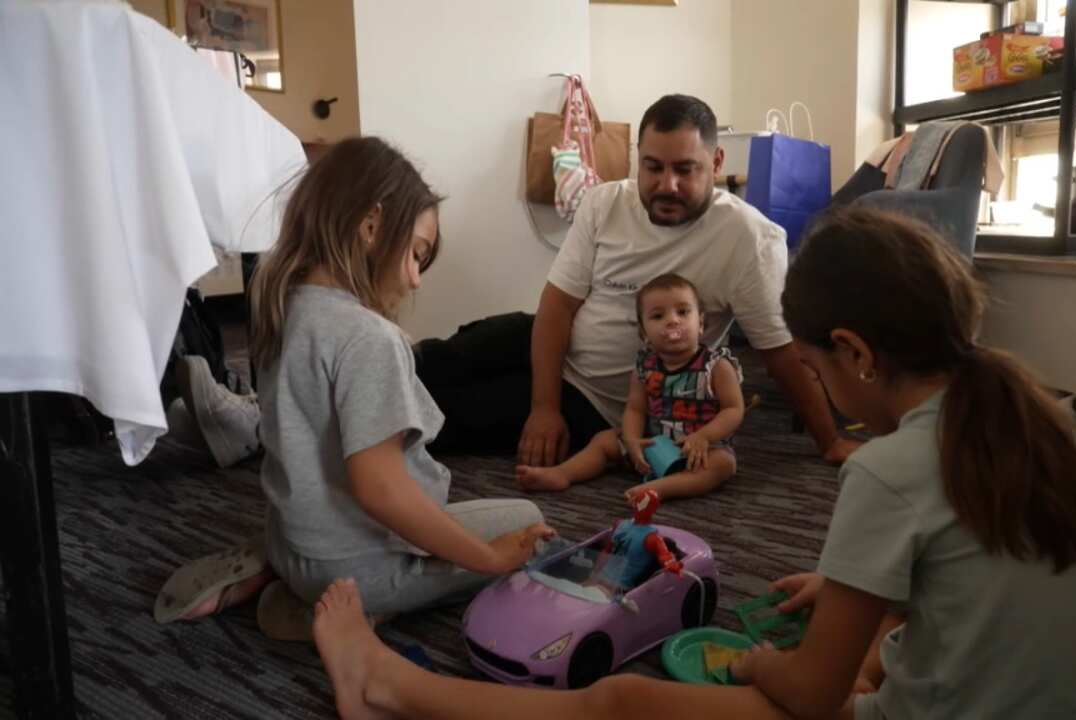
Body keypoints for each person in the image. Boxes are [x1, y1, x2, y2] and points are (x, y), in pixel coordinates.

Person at [306, 206, 1076, 719]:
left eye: (814, 366)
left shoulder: (886, 474)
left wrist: (753, 663)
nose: (812, 380)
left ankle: (387, 690)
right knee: (870, 648)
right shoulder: (1049, 430)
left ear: (852, 354)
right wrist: (871, 595)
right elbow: (990, 570)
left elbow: (811, 697)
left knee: (623, 702)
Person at [174, 94, 858, 470]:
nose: (667, 184)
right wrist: (542, 404)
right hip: (548, 344)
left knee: (438, 419)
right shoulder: (606, 202)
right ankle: (258, 414)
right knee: (431, 360)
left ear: (715, 163)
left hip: (604, 398)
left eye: (685, 170)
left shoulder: (745, 240)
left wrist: (829, 441)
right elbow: (557, 307)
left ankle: (263, 434)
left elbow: (778, 352)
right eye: (653, 167)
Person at [156, 137, 554, 634]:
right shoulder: (370, 339)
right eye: (415, 254)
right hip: (356, 565)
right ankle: (352, 609)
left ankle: (279, 570)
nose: (416, 280)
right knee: (526, 521)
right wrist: (488, 560)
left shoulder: (283, 307)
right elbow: (381, 490)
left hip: (293, 541)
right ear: (371, 227)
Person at [516, 273, 744, 501]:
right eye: (658, 316)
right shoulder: (644, 367)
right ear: (644, 334)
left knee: (724, 464)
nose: (673, 321)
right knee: (604, 440)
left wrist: (703, 437)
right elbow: (635, 409)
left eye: (683, 312)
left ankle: (660, 489)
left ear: (701, 323)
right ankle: (562, 473)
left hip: (699, 448)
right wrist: (633, 440)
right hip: (653, 442)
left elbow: (733, 409)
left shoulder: (716, 366)